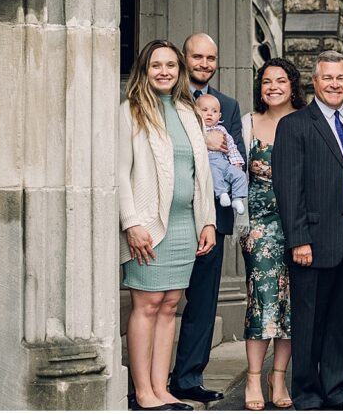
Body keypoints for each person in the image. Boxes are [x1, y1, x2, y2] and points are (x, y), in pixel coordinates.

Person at [273, 50, 343, 411]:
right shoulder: (295, 125)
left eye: (341, 78)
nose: (335, 85)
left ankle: (337, 392)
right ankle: (306, 394)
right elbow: (289, 188)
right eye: (328, 78)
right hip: (313, 240)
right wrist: (299, 239)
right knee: (309, 320)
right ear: (314, 82)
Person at [118, 40, 216, 411]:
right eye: (156, 65)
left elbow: (200, 174)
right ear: (144, 70)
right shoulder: (130, 112)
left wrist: (206, 220)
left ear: (179, 71)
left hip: (183, 225)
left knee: (171, 303)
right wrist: (131, 223)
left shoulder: (187, 111)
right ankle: (143, 392)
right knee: (146, 304)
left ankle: (162, 388)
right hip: (148, 226)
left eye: (171, 65)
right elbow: (120, 173)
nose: (164, 71)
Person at [169, 33, 247, 404]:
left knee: (202, 302)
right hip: (170, 215)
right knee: (163, 300)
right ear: (185, 58)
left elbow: (235, 155)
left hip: (210, 220)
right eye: (197, 57)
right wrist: (203, 136)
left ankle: (187, 377)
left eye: (210, 58)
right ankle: (150, 379)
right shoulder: (167, 95)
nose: (203, 64)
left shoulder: (227, 106)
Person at [239, 58, 305, 410]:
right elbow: (235, 174)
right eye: (266, 81)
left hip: (298, 227)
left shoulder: (305, 123)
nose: (273, 87)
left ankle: (278, 376)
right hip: (259, 226)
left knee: (292, 304)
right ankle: (253, 377)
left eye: (281, 80)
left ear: (293, 85)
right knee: (263, 300)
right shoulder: (248, 123)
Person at [195, 94, 248, 216]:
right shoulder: (196, 130)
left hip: (224, 161)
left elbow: (232, 147)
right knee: (214, 173)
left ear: (219, 116)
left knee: (240, 175)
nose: (209, 114)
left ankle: (237, 199)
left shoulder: (222, 130)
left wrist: (236, 163)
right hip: (209, 162)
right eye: (205, 110)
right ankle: (222, 193)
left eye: (214, 111)